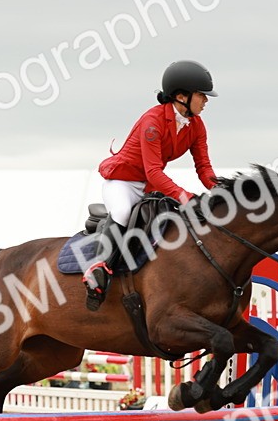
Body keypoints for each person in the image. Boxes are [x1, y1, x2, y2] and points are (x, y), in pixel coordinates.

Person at [85, 59, 221, 310]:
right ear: (181, 96)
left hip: (149, 185)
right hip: (122, 181)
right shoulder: (152, 122)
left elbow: (203, 167)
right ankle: (97, 270)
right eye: (202, 95)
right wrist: (184, 196)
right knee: (124, 212)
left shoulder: (196, 126)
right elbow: (154, 171)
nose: (206, 101)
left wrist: (220, 190)